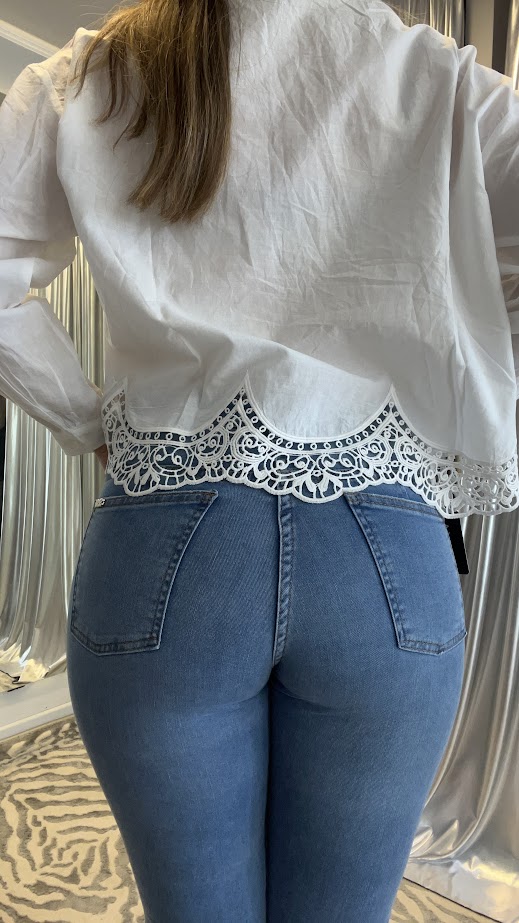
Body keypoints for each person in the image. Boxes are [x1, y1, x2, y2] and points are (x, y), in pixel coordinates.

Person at [0, 1, 516, 920]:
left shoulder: (87, 77)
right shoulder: (434, 82)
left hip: (164, 541)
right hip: (382, 555)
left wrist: (84, 419)